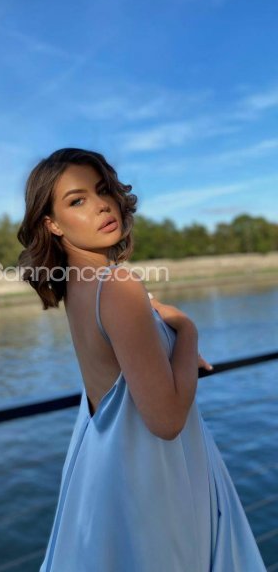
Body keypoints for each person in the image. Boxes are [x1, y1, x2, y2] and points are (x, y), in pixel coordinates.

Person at [17, 147, 267, 571]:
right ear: (52, 223)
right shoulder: (116, 285)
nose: (101, 206)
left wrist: (155, 319)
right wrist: (187, 329)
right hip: (155, 486)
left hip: (109, 476)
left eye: (103, 190)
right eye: (77, 201)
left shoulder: (76, 285)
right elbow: (166, 421)